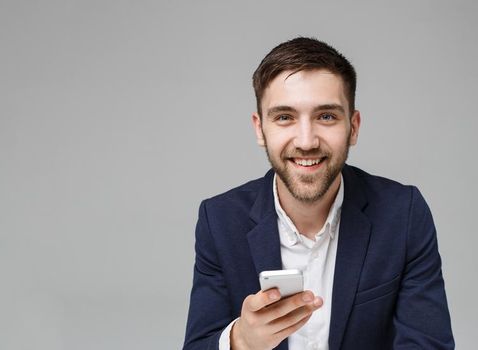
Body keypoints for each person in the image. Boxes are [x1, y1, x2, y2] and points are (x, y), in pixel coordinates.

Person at [183, 37, 454, 350]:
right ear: (260, 129)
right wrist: (241, 341)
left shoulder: (403, 214)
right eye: (284, 117)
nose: (307, 141)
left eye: (326, 116)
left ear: (353, 127)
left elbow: (428, 344)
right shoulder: (219, 221)